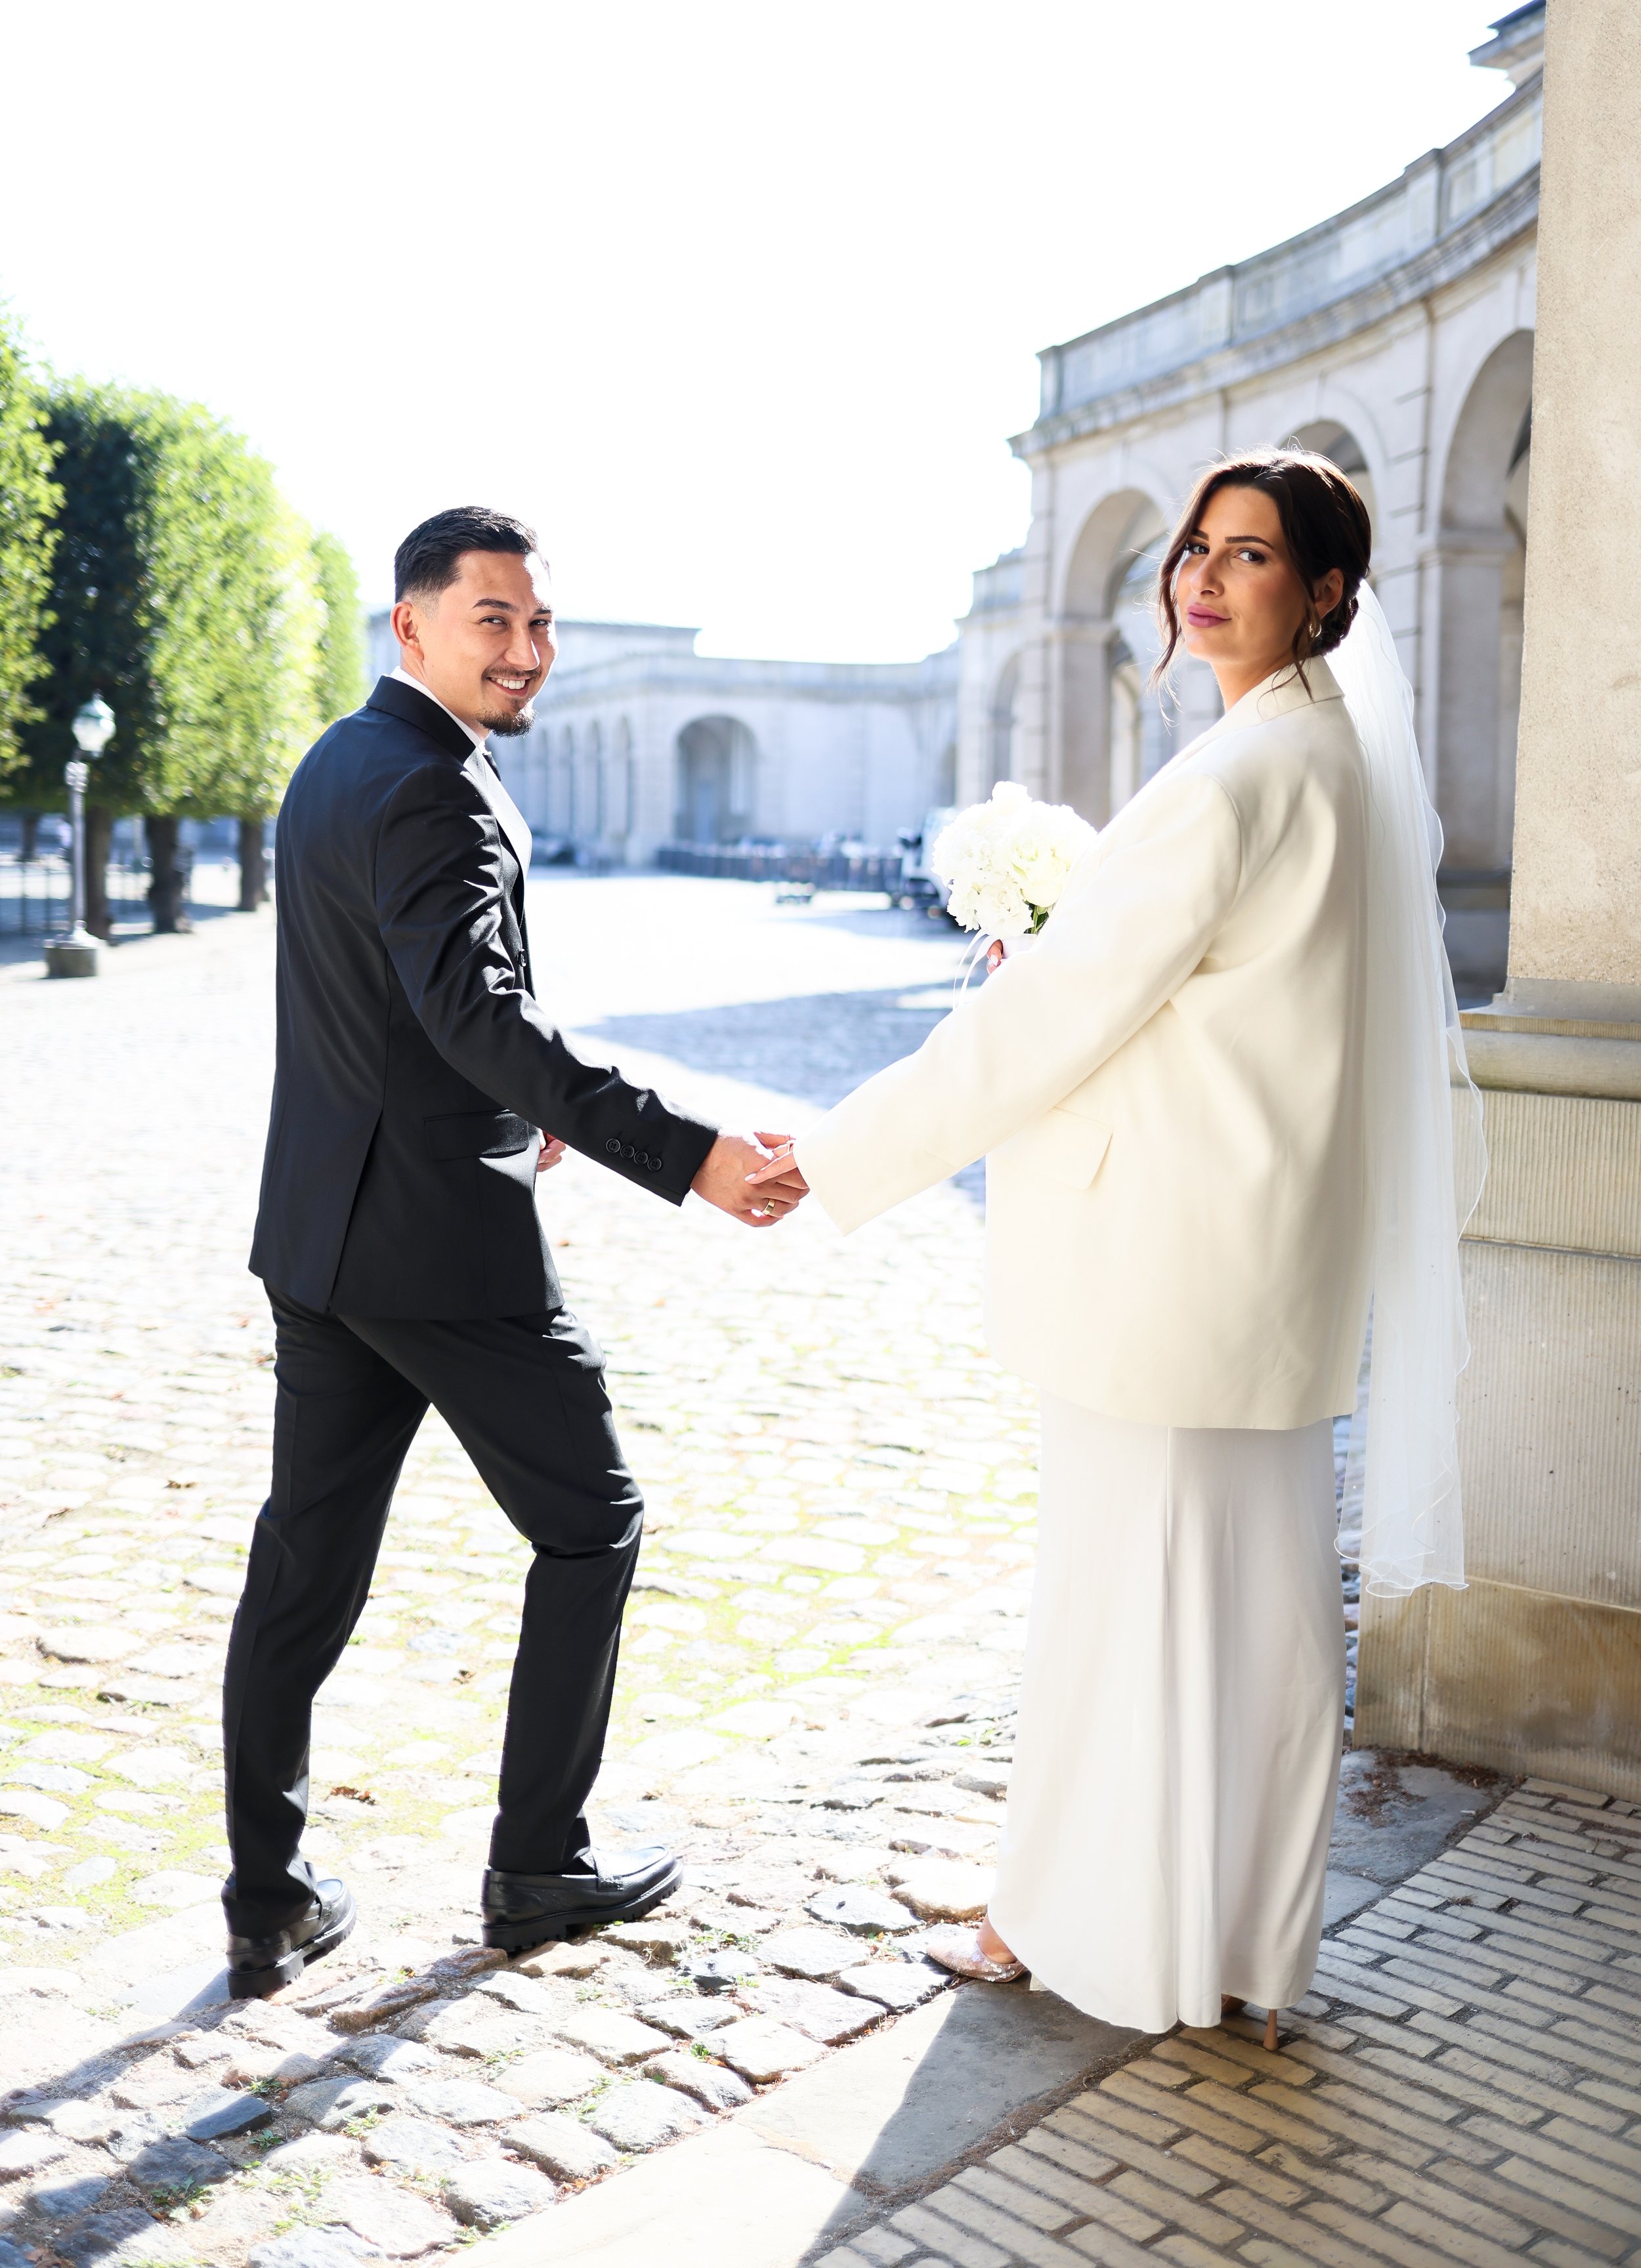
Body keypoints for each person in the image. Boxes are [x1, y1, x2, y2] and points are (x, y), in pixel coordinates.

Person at [751, 450, 1480, 2038]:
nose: (1201, 579)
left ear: (1324, 592)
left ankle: (1079, 1932)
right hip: (1264, 1270)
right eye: (1193, 549)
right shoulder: (1337, 757)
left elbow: (1050, 1027)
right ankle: (1224, 1940)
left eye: (1249, 555)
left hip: (1162, 1269)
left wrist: (836, 1151)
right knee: (1252, 1621)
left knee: (1122, 1611)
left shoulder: (1233, 776)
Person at [226, 505, 806, 1998]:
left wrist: (511, 1103)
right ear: (413, 624)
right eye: (494, 619)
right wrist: (683, 1153)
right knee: (593, 1523)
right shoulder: (439, 785)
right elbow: (474, 1012)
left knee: (303, 1571)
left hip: (321, 1237)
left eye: (540, 622)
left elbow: (400, 1007)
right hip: (441, 1252)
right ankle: (540, 1864)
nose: (528, 650)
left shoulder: (333, 762)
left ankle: (267, 1897)